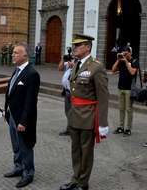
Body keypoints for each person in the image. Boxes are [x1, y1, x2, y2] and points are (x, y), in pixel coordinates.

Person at [60, 34, 109, 190]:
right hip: (74, 114)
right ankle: (75, 178)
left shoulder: (96, 67)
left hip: (88, 115)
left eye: (78, 45)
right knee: (75, 150)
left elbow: (103, 97)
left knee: (86, 151)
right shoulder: (77, 64)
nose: (74, 48)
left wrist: (102, 123)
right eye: (74, 45)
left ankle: (83, 183)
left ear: (88, 47)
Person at [3, 42, 40, 188]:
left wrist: (23, 122)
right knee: (16, 145)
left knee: (25, 146)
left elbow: (30, 101)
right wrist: (6, 111)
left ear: (25, 55)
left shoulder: (32, 74)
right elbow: (11, 93)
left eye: (16, 53)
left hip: (23, 119)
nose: (13, 55)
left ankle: (28, 173)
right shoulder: (16, 70)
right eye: (13, 53)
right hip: (12, 115)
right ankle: (18, 167)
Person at [111, 45, 139, 135]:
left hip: (129, 89)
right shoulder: (121, 61)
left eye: (126, 52)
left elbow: (132, 72)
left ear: (130, 53)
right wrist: (118, 60)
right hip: (121, 87)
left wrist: (126, 61)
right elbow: (113, 70)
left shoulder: (135, 61)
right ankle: (121, 127)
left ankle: (128, 128)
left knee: (129, 109)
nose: (124, 54)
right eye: (123, 52)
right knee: (121, 109)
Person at [58, 55, 75, 136]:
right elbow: (60, 68)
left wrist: (74, 66)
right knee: (68, 112)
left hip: (74, 93)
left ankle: (74, 130)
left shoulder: (80, 63)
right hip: (67, 92)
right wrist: (63, 59)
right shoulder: (70, 62)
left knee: (73, 112)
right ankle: (69, 129)